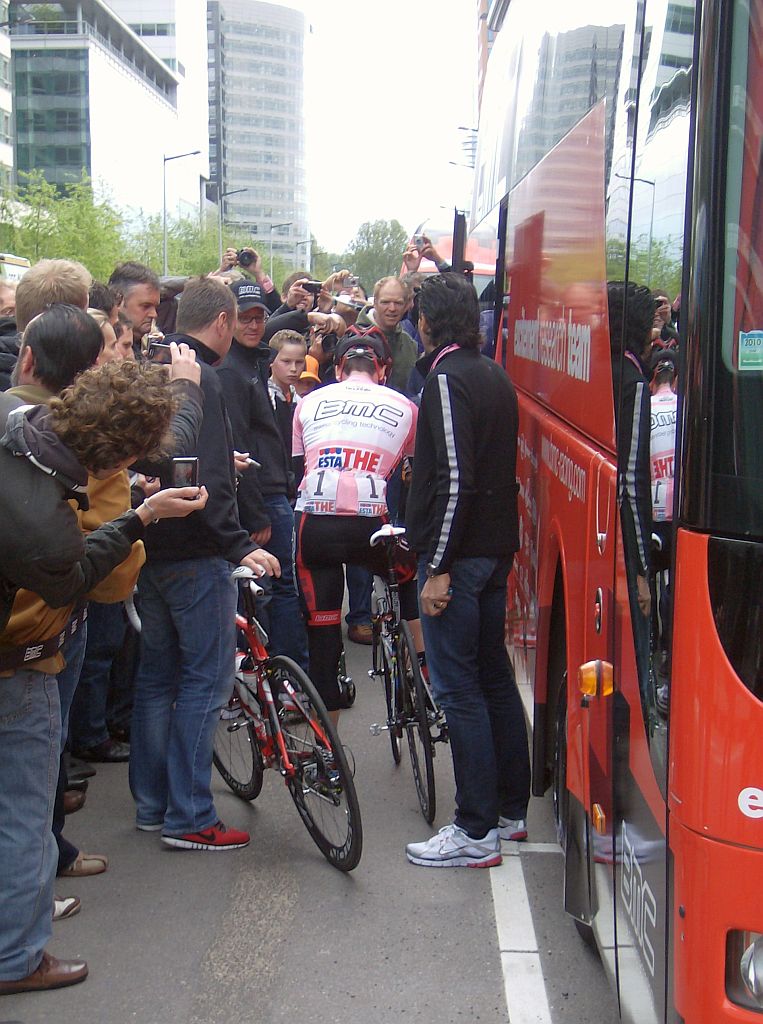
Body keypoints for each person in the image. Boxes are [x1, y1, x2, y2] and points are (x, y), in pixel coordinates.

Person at [0, 358, 208, 995]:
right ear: (119, 458)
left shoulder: (17, 426)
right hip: (17, 668)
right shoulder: (47, 524)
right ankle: (16, 960)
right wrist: (140, 519)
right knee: (23, 816)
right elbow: (85, 578)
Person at [129, 275, 279, 851]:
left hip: (148, 544)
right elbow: (205, 475)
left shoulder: (148, 368)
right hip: (196, 552)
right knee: (205, 682)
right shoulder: (203, 380)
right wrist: (237, 543)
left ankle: (152, 804)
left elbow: (166, 459)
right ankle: (190, 815)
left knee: (156, 679)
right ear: (221, 322)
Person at [404, 273, 530, 869]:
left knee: (460, 689)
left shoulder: (446, 379)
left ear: (428, 322)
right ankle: (510, 810)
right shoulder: (493, 373)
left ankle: (475, 829)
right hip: (495, 549)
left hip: (463, 556)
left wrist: (438, 567)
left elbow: (456, 477)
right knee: (493, 679)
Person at [293, 330, 418, 718]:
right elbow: (408, 470)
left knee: (323, 630)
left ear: (337, 368)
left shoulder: (309, 401)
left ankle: (328, 754)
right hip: (370, 526)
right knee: (408, 576)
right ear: (383, 369)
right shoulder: (405, 406)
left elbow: (302, 463)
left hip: (315, 525)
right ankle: (421, 669)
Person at [217, 282, 309, 670]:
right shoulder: (232, 371)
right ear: (229, 320)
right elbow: (238, 444)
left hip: (273, 492)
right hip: (259, 499)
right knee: (270, 589)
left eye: (260, 317)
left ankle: (285, 672)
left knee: (279, 587)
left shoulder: (253, 362)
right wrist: (254, 513)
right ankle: (276, 672)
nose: (254, 325)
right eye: (246, 317)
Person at [108, 261, 161, 354]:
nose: (154, 314)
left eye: (155, 307)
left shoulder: (147, 346)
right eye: (146, 306)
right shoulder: (99, 353)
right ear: (118, 301)